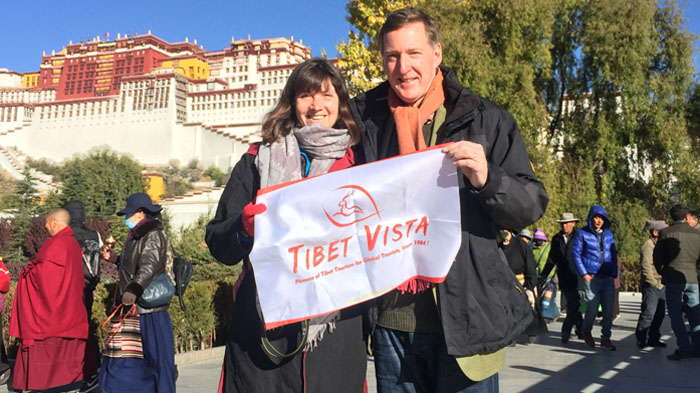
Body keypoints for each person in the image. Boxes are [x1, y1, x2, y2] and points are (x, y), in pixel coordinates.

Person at [349, 8, 548, 392]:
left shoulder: (485, 118)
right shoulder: (363, 121)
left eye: (414, 53)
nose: (402, 67)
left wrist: (488, 178)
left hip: (468, 321)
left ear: (436, 53)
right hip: (392, 326)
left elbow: (531, 205)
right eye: (392, 56)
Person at [206, 58, 367, 393]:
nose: (316, 105)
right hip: (262, 335)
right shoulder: (256, 159)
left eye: (326, 95)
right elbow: (218, 242)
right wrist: (243, 227)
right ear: (292, 103)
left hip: (336, 335)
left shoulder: (362, 163)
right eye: (306, 95)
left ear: (340, 102)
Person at [10, 209, 95, 391]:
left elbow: (44, 276)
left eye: (47, 223)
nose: (46, 227)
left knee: (47, 346)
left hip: (53, 314)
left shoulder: (55, 243)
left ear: (55, 222)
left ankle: (43, 384)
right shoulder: (72, 243)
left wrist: (27, 274)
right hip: (70, 309)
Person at [99, 193, 176, 392]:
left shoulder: (152, 234)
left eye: (129, 213)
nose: (127, 218)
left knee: (155, 360)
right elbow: (133, 265)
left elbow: (148, 266)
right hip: (133, 307)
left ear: (140, 213)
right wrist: (115, 258)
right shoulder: (136, 235)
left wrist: (134, 288)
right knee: (125, 358)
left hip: (148, 310)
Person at [63, 200, 102, 389]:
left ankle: (82, 371)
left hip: (72, 290)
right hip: (89, 288)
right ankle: (92, 370)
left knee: (74, 331)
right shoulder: (94, 235)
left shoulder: (67, 236)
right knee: (87, 327)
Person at [653, 204, 700, 360]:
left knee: (676, 315)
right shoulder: (697, 233)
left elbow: (657, 257)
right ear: (687, 217)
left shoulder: (666, 232)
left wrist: (663, 272)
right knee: (695, 314)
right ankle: (697, 347)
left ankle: (684, 348)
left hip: (673, 278)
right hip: (692, 278)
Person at [572, 205, 618, 350]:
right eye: (596, 217)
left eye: (601, 218)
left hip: (607, 277)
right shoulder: (581, 233)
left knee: (608, 310)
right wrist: (584, 274)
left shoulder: (608, 234)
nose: (599, 221)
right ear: (591, 218)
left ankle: (606, 338)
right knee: (591, 309)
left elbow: (614, 254)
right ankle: (586, 330)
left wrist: (613, 274)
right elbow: (576, 254)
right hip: (591, 277)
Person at [498, 229, 547, 344]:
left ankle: (532, 331)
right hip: (506, 283)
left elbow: (530, 265)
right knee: (509, 310)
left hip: (522, 282)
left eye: (505, 229)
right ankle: (512, 336)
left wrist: (530, 285)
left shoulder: (521, 245)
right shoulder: (498, 247)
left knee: (528, 307)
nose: (503, 232)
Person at [541, 213, 582, 343]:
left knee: (574, 305)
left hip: (579, 277)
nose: (565, 226)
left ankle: (572, 329)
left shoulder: (580, 237)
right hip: (564, 278)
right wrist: (543, 275)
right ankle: (575, 330)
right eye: (563, 223)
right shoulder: (556, 239)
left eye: (567, 223)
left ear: (573, 223)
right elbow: (552, 259)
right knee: (573, 304)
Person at [635, 220, 668, 348]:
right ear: (655, 232)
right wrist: (653, 282)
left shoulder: (660, 245)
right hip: (652, 286)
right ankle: (641, 338)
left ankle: (654, 338)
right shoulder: (648, 245)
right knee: (648, 313)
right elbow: (646, 266)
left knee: (659, 314)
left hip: (662, 284)